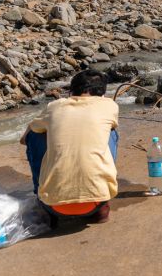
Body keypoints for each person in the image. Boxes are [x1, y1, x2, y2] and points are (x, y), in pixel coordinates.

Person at [21, 68, 120, 224]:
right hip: (96, 203)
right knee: (111, 132)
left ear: (70, 92)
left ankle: (40, 196)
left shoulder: (54, 106)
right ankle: (102, 208)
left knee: (35, 135)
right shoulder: (109, 105)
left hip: (53, 205)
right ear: (102, 94)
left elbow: (25, 138)